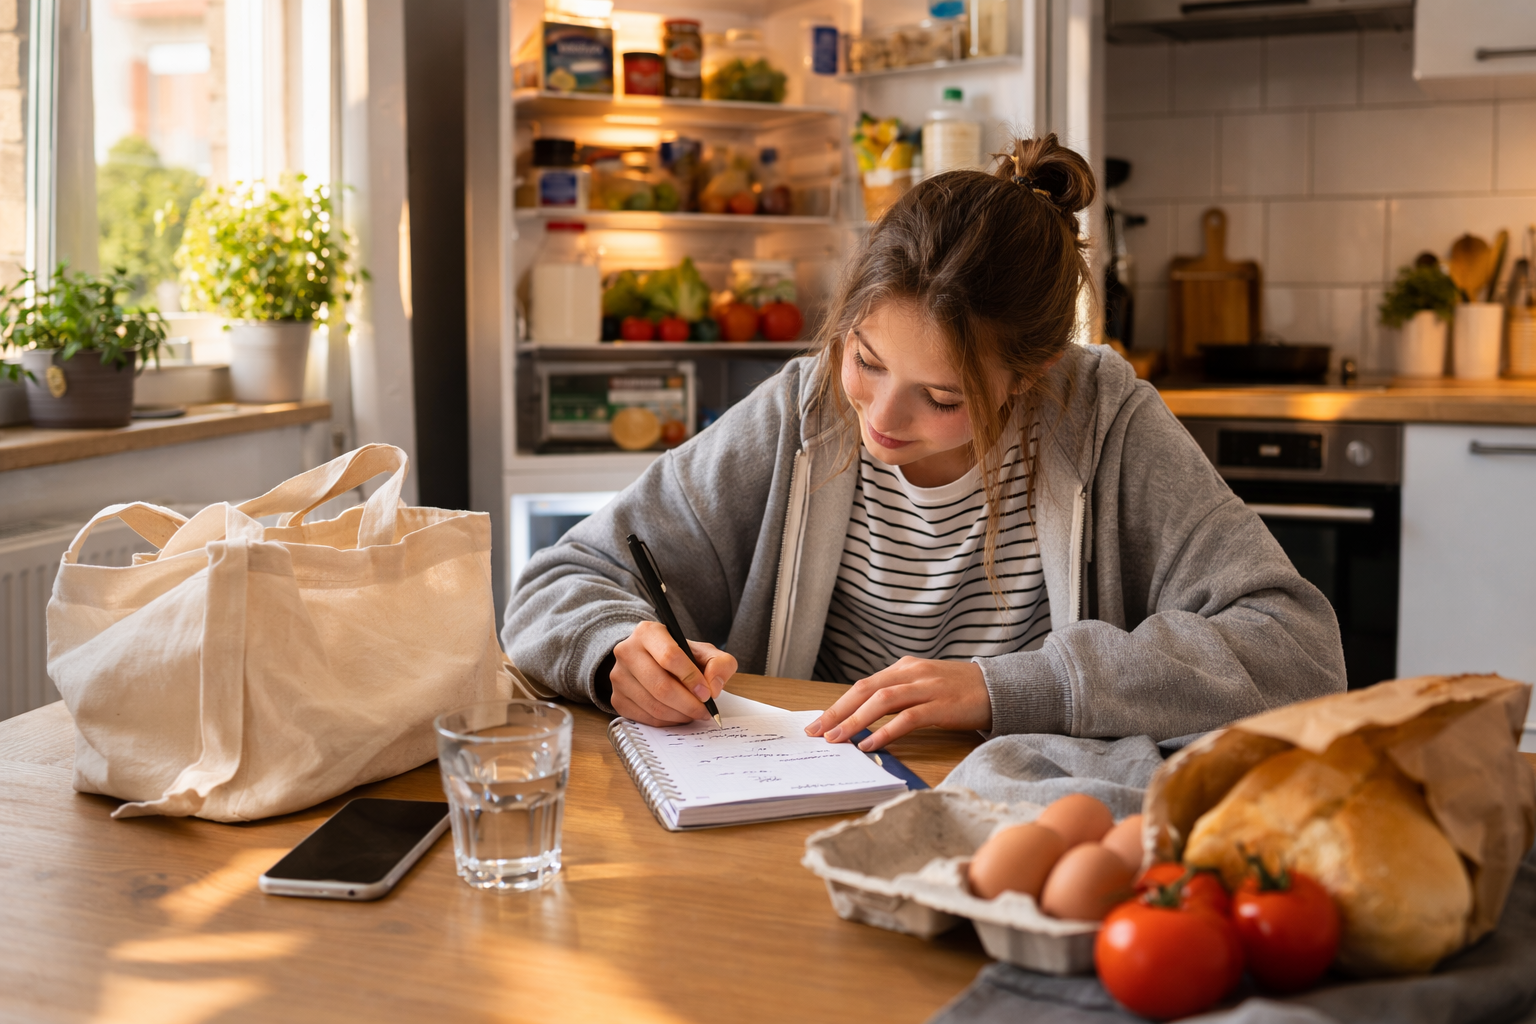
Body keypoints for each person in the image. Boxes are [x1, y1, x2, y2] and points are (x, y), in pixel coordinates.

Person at [503, 134, 1345, 750]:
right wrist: (614, 648)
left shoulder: (1105, 421)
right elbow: (558, 583)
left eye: (942, 397)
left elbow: (1297, 648)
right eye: (865, 360)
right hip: (800, 802)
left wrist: (1008, 687)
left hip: (1030, 814)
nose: (880, 418)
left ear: (1031, 372)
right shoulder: (804, 411)